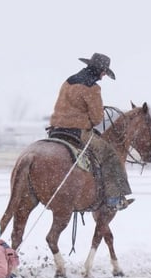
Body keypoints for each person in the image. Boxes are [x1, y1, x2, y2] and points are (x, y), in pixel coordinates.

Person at [48, 52, 133, 211]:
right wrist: (97, 111)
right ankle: (114, 198)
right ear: (100, 71)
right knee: (110, 155)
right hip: (77, 132)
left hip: (56, 130)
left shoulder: (68, 81)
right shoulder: (92, 88)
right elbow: (97, 118)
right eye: (103, 73)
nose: (102, 77)